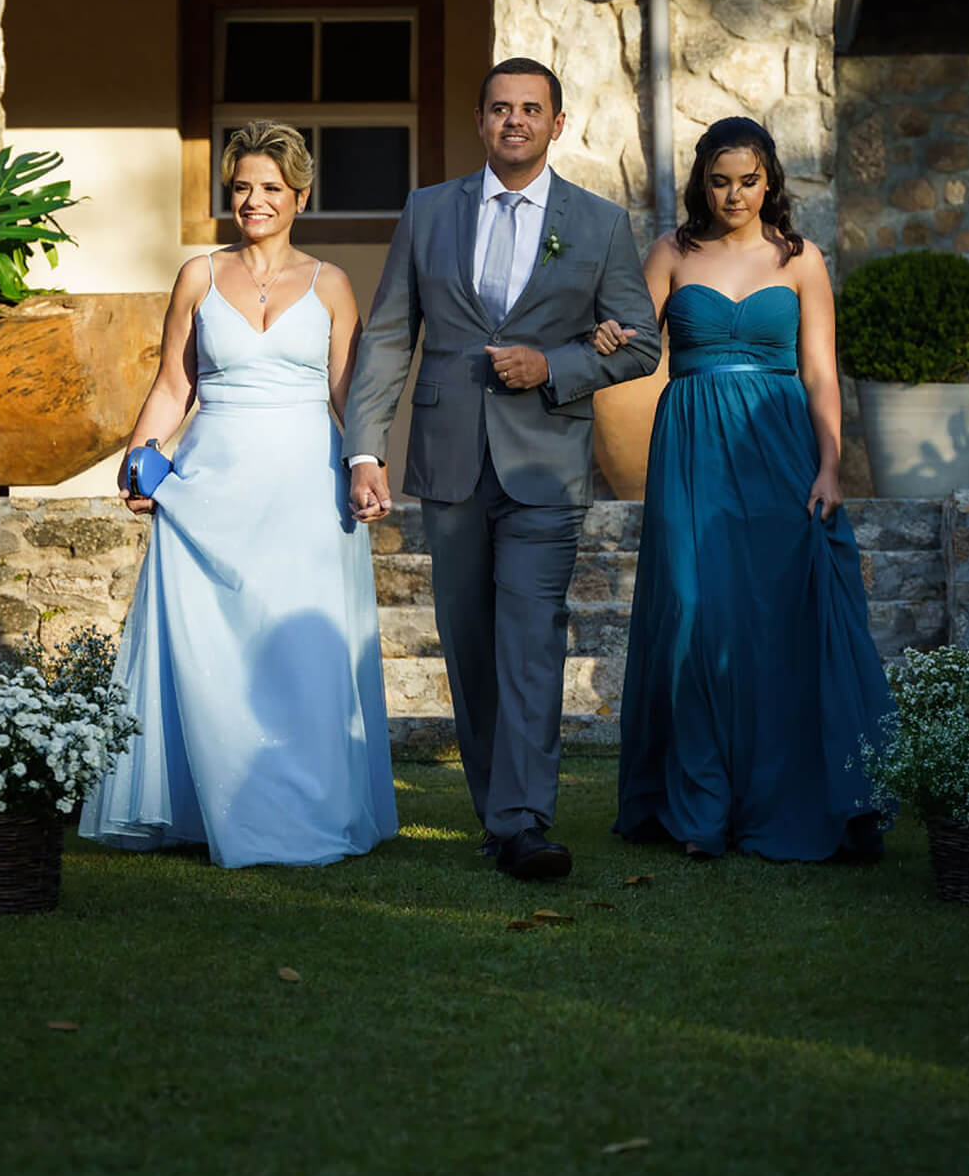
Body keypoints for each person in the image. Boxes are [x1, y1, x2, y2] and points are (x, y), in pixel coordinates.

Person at [343, 58, 661, 880]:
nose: (514, 119)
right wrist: (365, 448)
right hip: (449, 460)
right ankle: (497, 811)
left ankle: (524, 822)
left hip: (546, 467)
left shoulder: (599, 223)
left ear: (557, 123)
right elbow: (389, 335)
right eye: (499, 107)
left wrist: (554, 364)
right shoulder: (427, 210)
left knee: (530, 637)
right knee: (470, 643)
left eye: (530, 107)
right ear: (480, 120)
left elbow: (642, 342)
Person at [80, 121, 398, 868]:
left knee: (301, 647)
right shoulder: (197, 275)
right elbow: (174, 384)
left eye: (272, 188)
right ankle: (213, 805)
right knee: (214, 650)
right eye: (243, 187)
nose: (255, 200)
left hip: (305, 491)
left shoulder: (331, 284)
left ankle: (310, 807)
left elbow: (350, 397)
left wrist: (370, 465)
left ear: (301, 197)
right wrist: (139, 455)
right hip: (211, 490)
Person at [599, 116, 893, 862]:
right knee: (693, 613)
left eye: (748, 180)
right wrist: (605, 335)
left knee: (774, 619)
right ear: (702, 183)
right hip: (692, 447)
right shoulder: (671, 252)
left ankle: (781, 796)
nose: (734, 194)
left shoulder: (801, 259)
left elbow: (820, 372)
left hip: (781, 448)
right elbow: (632, 345)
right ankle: (700, 809)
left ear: (770, 183)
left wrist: (830, 465)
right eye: (720, 181)